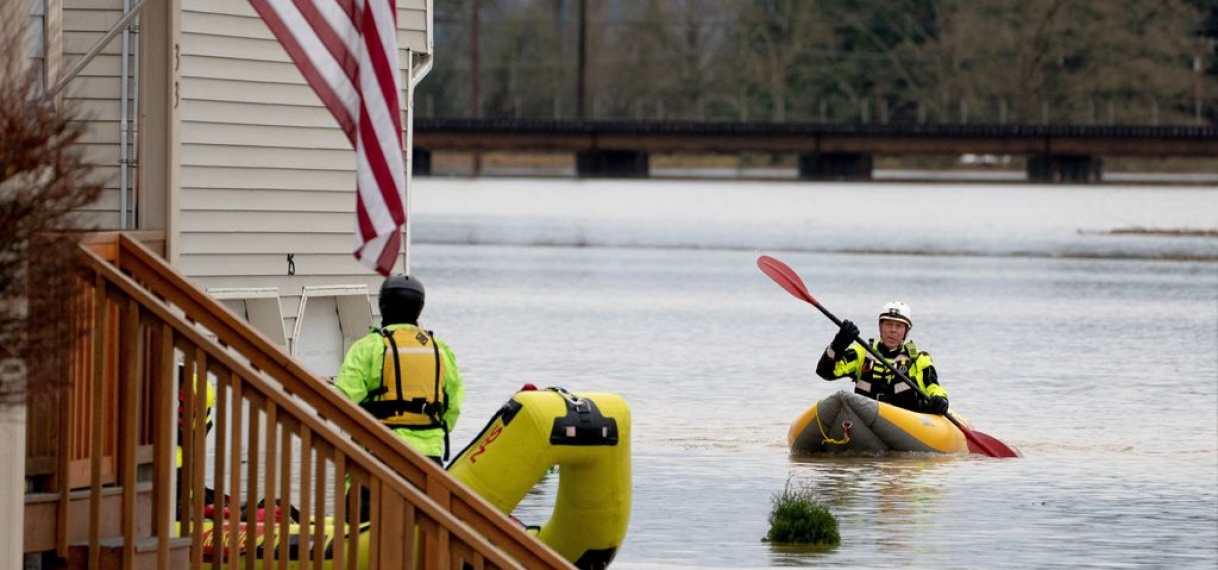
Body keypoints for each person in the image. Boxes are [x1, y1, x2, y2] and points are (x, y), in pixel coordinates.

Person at [334, 274, 464, 465]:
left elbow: (343, 398)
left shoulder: (369, 347)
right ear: (419, 308)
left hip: (378, 453)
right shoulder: (439, 349)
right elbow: (454, 404)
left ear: (383, 306)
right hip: (428, 461)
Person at [815, 301, 950, 415]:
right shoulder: (862, 353)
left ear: (906, 331)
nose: (893, 330)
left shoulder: (919, 358)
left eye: (898, 326)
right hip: (865, 417)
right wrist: (838, 344)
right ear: (880, 327)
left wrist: (940, 399)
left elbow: (933, 386)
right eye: (888, 324)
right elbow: (825, 373)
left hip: (906, 420)